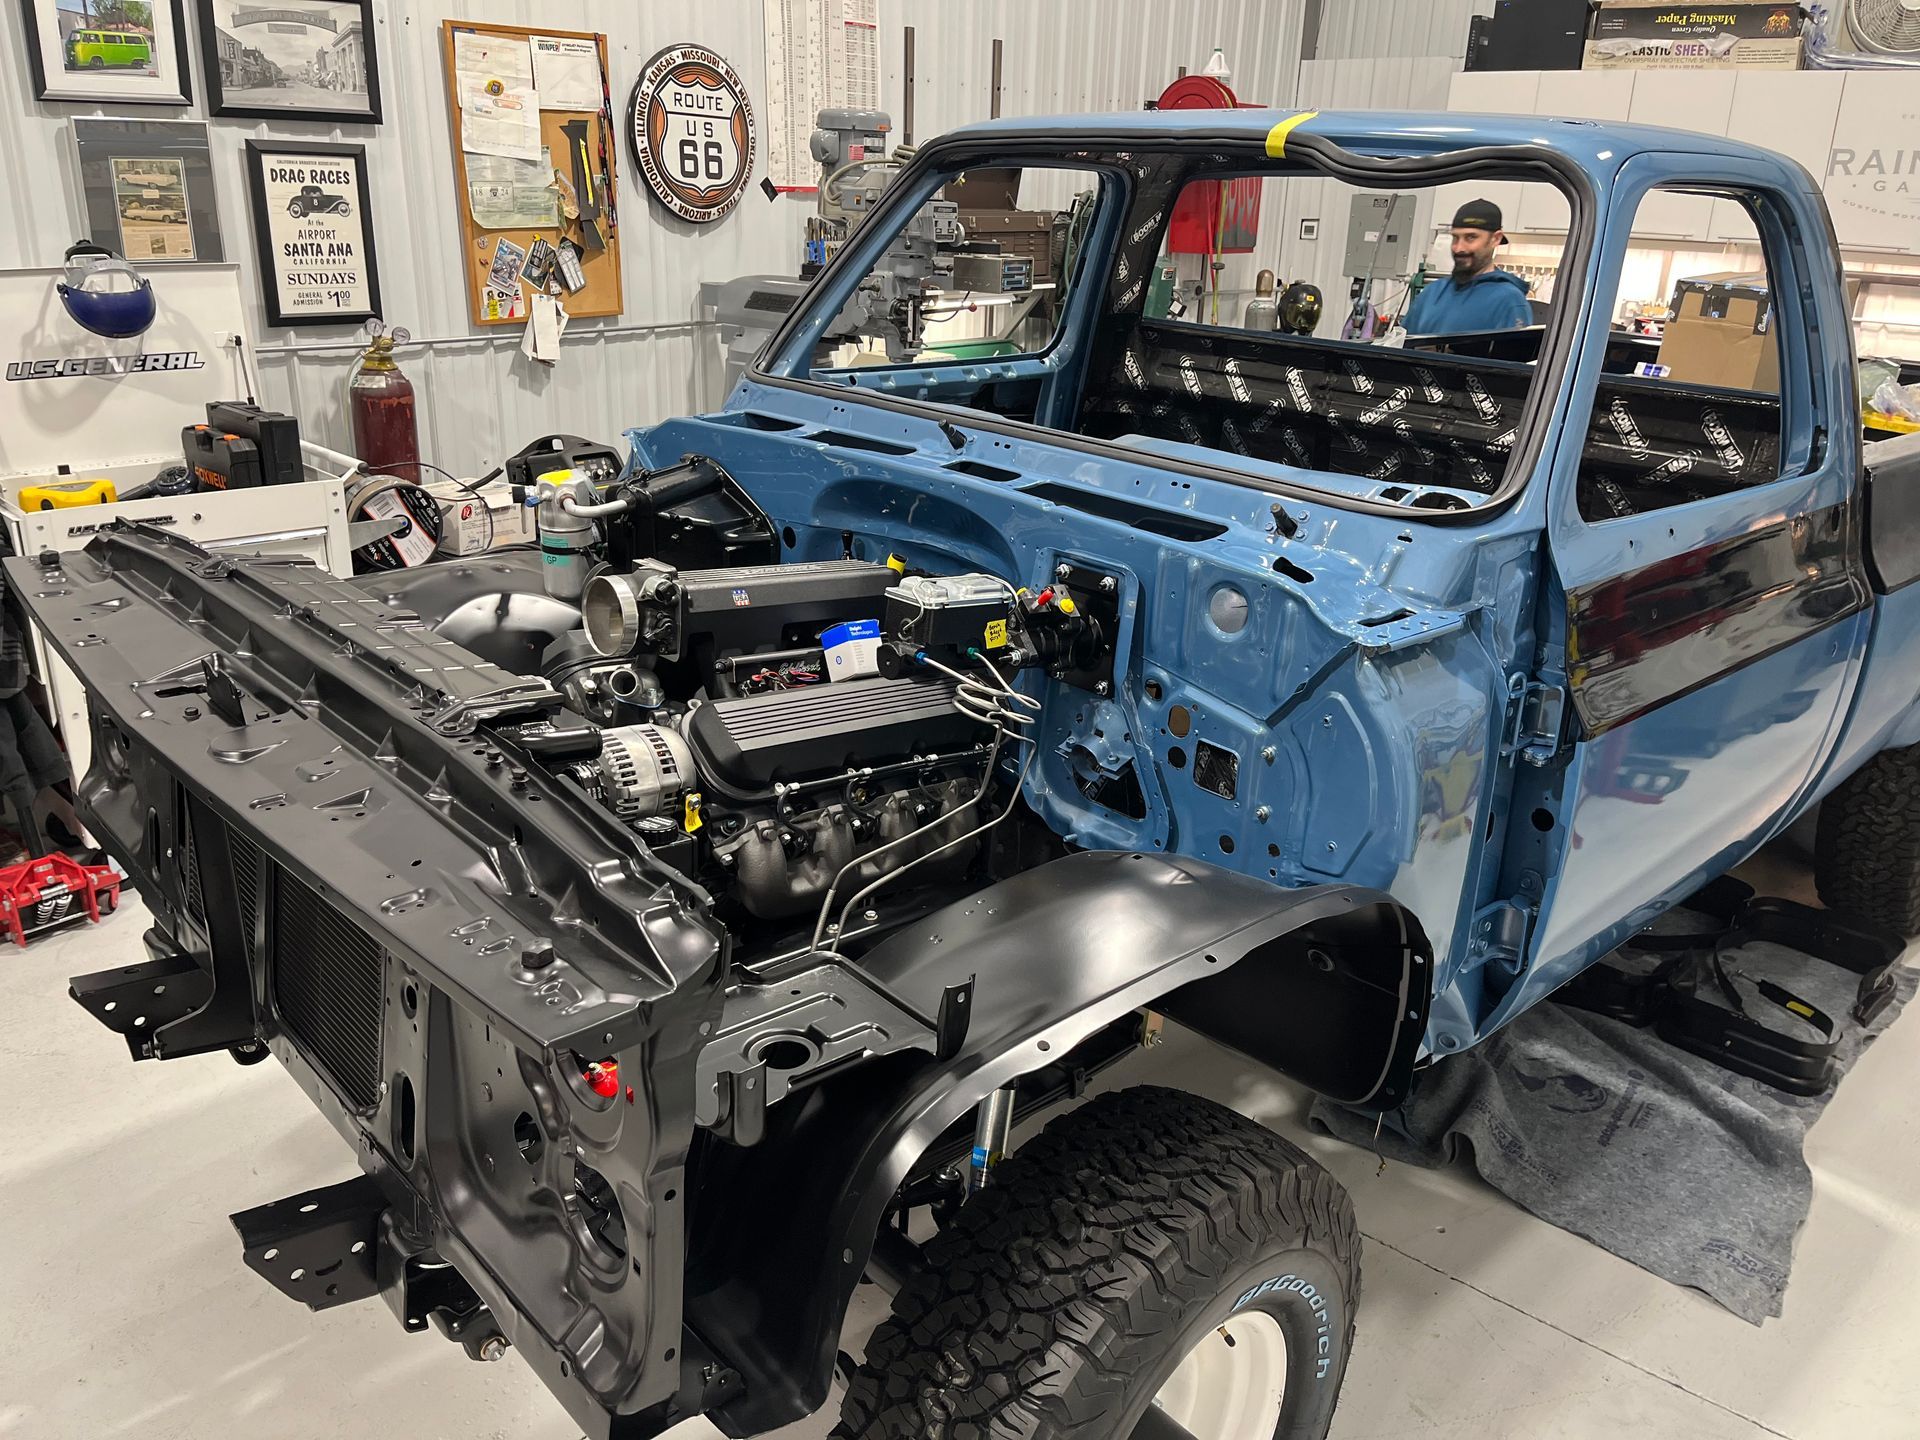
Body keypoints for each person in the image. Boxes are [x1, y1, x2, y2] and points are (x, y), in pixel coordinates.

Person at [1401, 199, 1533, 336]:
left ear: (1495, 239)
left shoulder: (1509, 302)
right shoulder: (1432, 293)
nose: (1459, 248)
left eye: (1470, 237)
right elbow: (1402, 343)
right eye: (1455, 238)